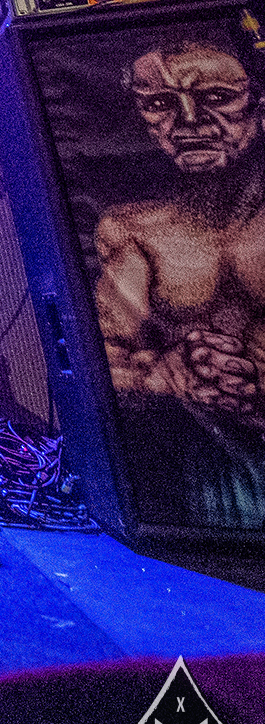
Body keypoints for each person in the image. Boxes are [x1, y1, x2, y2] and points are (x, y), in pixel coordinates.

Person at [92, 34, 265, 527]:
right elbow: (102, 366)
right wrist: (164, 374)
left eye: (217, 97)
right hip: (213, 484)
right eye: (160, 104)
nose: (189, 121)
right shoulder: (134, 233)